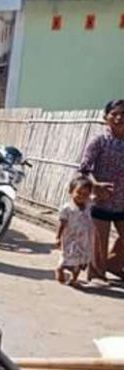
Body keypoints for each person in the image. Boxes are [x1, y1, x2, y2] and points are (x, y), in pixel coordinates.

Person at [80, 99, 124, 283]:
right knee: (99, 241)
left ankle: (113, 264)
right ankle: (97, 274)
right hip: (101, 200)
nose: (119, 118)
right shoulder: (99, 141)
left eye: (123, 114)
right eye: (114, 114)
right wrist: (95, 185)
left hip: (122, 200)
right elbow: (84, 169)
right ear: (106, 117)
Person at [55, 177, 95, 285]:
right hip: (70, 238)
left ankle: (74, 279)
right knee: (66, 257)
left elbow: (98, 197)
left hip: (84, 240)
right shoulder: (67, 208)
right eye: (79, 193)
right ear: (71, 192)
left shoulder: (89, 205)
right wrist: (58, 237)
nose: (81, 196)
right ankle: (60, 269)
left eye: (85, 194)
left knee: (80, 260)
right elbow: (62, 223)